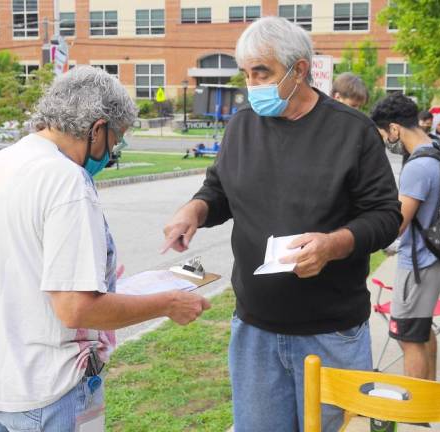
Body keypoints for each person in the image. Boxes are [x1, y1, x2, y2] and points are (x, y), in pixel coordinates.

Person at [162, 17, 401, 432]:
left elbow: (386, 217)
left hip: (331, 333)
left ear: (299, 71)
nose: (252, 84)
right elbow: (218, 189)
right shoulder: (241, 125)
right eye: (247, 73)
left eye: (263, 73)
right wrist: (194, 210)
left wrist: (332, 245)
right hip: (255, 329)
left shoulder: (352, 131)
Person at [0, 67, 211, 432]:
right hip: (51, 391)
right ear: (97, 129)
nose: (113, 152)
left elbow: (25, 265)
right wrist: (168, 303)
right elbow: (75, 307)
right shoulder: (67, 181)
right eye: (117, 139)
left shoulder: (5, 162)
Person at [370, 92, 440, 382]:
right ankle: (430, 395)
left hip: (418, 263)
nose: (387, 142)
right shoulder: (439, 148)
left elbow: (397, 223)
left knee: (408, 336)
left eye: (384, 134)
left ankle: (415, 412)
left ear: (394, 128)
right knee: (422, 327)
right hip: (436, 257)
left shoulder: (418, 165)